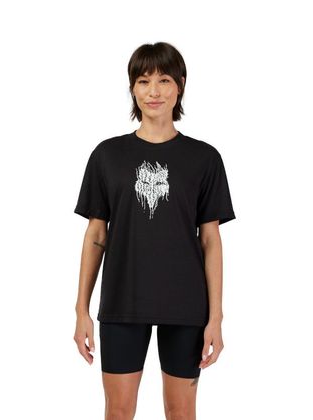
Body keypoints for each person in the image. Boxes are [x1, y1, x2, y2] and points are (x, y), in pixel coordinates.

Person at [73, 41, 236, 420]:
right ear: (132, 88)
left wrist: (216, 317)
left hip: (186, 304)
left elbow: (210, 240)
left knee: (181, 412)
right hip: (122, 300)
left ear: (180, 85)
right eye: (144, 81)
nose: (154, 91)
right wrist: (81, 309)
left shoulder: (204, 158)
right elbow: (96, 236)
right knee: (118, 411)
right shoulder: (107, 155)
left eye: (164, 80)